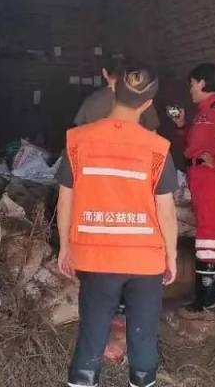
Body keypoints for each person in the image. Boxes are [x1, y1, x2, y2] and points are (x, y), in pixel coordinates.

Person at [56, 67, 179, 387]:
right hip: (145, 258)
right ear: (146, 103)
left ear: (114, 91)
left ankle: (83, 379)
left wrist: (65, 247)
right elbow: (166, 211)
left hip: (96, 258)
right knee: (143, 333)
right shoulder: (158, 148)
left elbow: (65, 201)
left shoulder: (78, 140)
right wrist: (172, 255)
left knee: (93, 330)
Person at [170, 63, 215, 319]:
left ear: (202, 82)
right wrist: (181, 126)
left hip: (212, 180)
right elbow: (192, 144)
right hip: (199, 177)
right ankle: (214, 295)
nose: (190, 89)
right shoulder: (202, 112)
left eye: (191, 83)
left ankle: (206, 301)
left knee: (209, 238)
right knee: (212, 237)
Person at [74, 59, 160, 131]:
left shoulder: (92, 101)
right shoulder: (143, 100)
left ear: (104, 73)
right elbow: (153, 134)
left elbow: (77, 138)